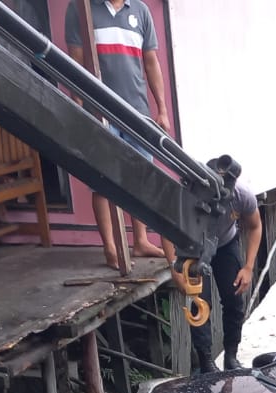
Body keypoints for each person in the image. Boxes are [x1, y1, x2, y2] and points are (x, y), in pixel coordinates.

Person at [64, 0, 171, 268]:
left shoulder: (140, 10)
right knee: (104, 181)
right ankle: (111, 248)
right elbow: (75, 62)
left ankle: (141, 241)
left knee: (140, 178)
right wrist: (77, 109)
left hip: (137, 110)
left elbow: (151, 62)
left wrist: (162, 109)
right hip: (98, 110)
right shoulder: (81, 8)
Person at [191, 155, 260, 373]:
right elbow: (167, 228)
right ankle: (206, 362)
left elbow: (255, 226)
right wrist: (174, 267)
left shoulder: (242, 195)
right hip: (195, 246)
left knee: (234, 298)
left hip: (225, 243)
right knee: (201, 304)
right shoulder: (189, 193)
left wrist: (248, 267)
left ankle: (231, 355)